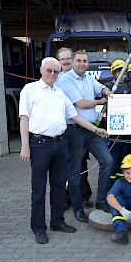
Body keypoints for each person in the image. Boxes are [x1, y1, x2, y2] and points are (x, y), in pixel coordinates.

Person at [19, 57, 108, 244]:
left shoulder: (60, 93)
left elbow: (75, 116)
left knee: (59, 186)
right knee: (39, 189)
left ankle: (57, 221)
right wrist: (25, 146)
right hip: (39, 144)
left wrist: (96, 129)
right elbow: (24, 118)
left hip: (60, 144)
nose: (52, 74)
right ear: (41, 70)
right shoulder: (30, 90)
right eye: (49, 70)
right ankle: (38, 228)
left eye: (56, 71)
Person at [59, 50, 114, 222]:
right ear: (73, 62)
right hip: (74, 131)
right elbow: (81, 104)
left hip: (91, 130)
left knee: (108, 161)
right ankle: (77, 208)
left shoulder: (88, 78)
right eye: (79, 61)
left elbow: (101, 87)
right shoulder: (65, 80)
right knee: (74, 171)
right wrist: (100, 101)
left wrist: (106, 91)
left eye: (85, 61)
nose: (82, 64)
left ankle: (101, 200)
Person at [56, 47, 93, 210]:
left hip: (78, 127)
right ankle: (65, 197)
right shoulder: (56, 79)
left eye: (68, 59)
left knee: (81, 164)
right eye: (62, 59)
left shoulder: (79, 78)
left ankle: (83, 196)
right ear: (58, 62)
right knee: (65, 165)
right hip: (64, 129)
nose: (66, 61)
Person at [104, 59, 131, 185]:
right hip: (114, 125)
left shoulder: (126, 87)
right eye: (120, 73)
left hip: (126, 127)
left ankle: (123, 182)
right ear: (114, 73)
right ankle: (110, 185)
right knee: (113, 156)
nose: (123, 76)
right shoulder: (109, 87)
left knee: (125, 154)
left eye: (125, 73)